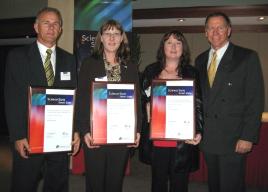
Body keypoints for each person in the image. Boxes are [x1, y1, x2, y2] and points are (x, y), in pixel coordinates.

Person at [4, 7, 80, 192]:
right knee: (24, 184)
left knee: (57, 184)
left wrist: (74, 130)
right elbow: (11, 97)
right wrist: (18, 135)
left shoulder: (69, 59)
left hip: (59, 137)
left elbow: (73, 96)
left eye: (56, 24)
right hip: (29, 136)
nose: (51, 27)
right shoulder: (17, 57)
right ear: (36, 27)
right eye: (46, 23)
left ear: (61, 29)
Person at [195, 12, 264, 192]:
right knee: (215, 185)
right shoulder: (200, 60)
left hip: (233, 138)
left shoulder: (246, 57)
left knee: (231, 186)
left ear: (229, 30)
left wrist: (248, 136)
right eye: (210, 28)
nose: (215, 32)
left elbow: (255, 100)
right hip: (209, 138)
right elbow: (199, 99)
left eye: (220, 27)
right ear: (205, 33)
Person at [75, 19, 140, 192]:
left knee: (115, 181)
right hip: (95, 133)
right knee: (94, 182)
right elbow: (81, 99)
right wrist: (84, 131)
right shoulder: (89, 64)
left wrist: (137, 130)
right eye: (107, 34)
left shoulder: (131, 67)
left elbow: (137, 102)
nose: (112, 38)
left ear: (122, 39)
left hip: (121, 133)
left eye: (116, 34)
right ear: (101, 38)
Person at [139, 30, 203, 192]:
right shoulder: (151, 71)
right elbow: (141, 99)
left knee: (180, 185)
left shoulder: (192, 73)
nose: (173, 47)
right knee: (158, 183)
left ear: (183, 47)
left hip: (182, 140)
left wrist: (199, 131)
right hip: (158, 139)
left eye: (178, 43)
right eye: (169, 43)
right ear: (163, 47)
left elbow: (198, 105)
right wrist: (146, 106)